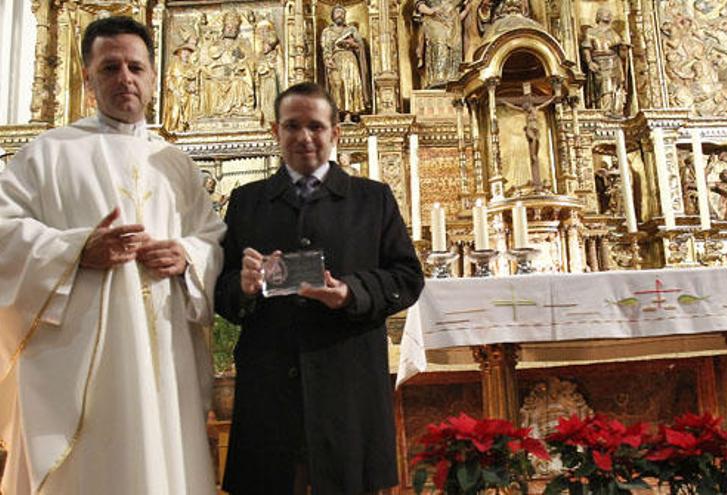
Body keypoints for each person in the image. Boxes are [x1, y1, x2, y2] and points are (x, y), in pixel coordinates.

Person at [0, 16, 225, 495]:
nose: (125, 78)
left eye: (135, 67)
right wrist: (76, 249)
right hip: (78, 361)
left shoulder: (175, 163)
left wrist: (186, 256)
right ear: (87, 78)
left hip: (164, 352)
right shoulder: (48, 153)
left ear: (152, 78)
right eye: (110, 67)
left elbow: (210, 236)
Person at [216, 82, 424, 495]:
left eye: (316, 126)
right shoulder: (246, 202)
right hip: (271, 386)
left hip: (348, 387)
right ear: (276, 131)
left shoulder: (373, 199)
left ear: (335, 133)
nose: (304, 137)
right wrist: (241, 287)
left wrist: (350, 293)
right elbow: (219, 291)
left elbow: (407, 278)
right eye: (292, 126)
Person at [321, 5, 369, 122]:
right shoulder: (327, 31)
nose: (340, 15)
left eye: (342, 13)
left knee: (351, 85)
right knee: (337, 85)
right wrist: (328, 59)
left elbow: (360, 46)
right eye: (337, 12)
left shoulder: (351, 30)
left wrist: (352, 43)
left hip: (350, 59)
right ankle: (336, 115)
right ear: (332, 16)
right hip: (336, 60)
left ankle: (348, 115)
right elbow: (325, 47)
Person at [581, 7, 628, 115]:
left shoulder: (614, 33)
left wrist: (623, 49)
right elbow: (586, 48)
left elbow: (621, 51)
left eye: (609, 13)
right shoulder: (591, 31)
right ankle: (605, 110)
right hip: (599, 62)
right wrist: (589, 62)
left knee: (615, 86)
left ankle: (615, 109)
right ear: (599, 16)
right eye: (605, 13)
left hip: (614, 62)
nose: (608, 15)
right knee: (605, 84)